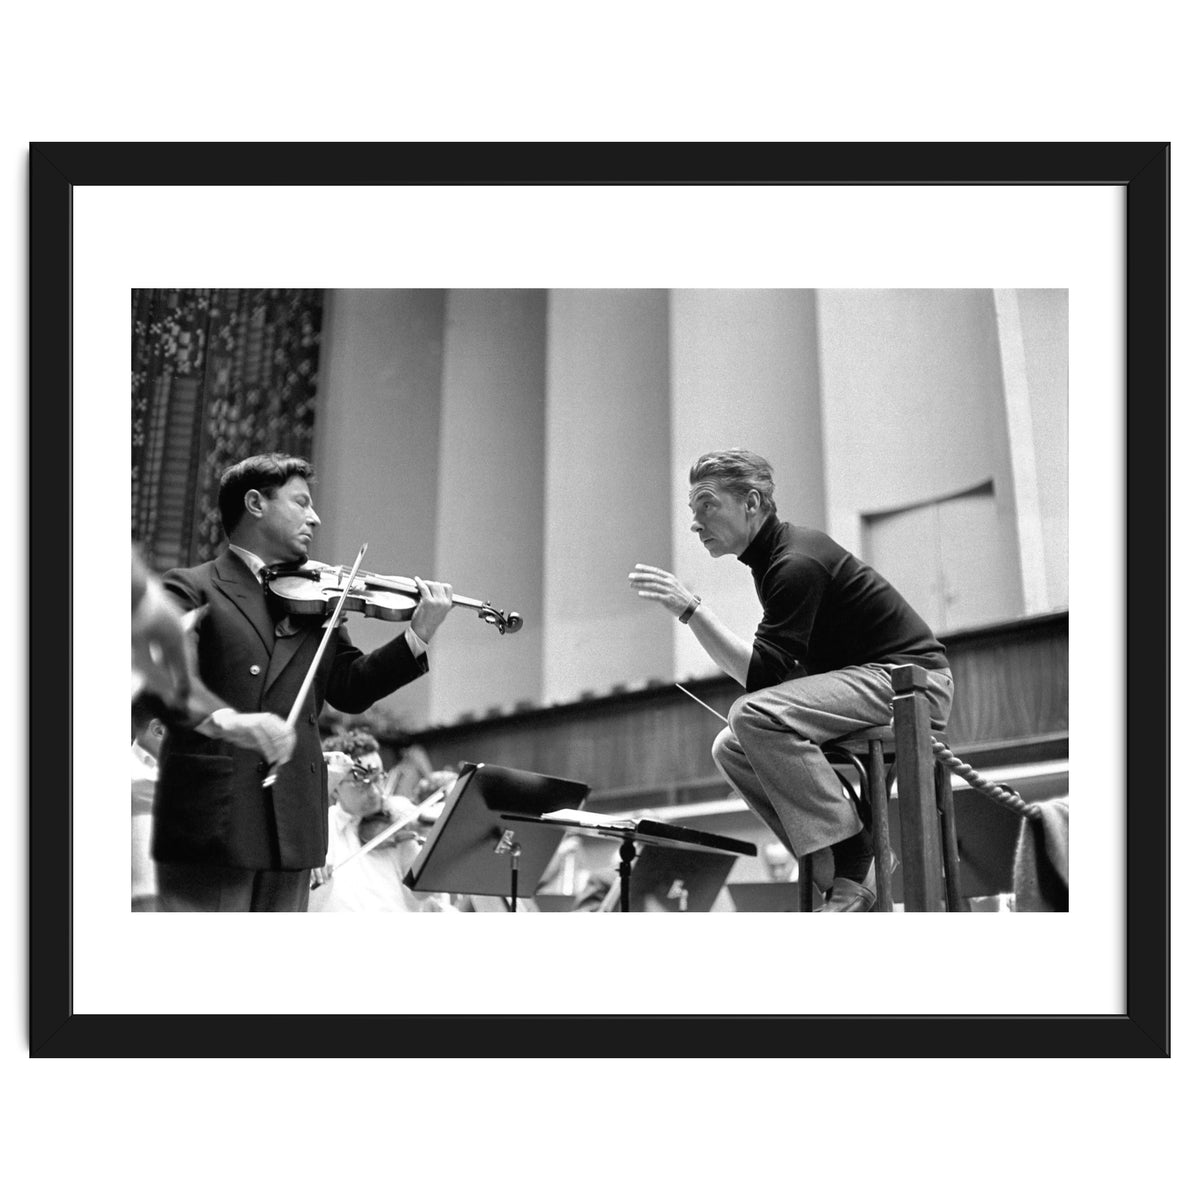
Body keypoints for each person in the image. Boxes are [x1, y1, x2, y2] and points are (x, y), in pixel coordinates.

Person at [629, 449, 954, 912]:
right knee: (730, 746)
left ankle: (856, 863)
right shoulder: (772, 563)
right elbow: (770, 674)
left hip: (911, 684)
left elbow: (760, 682)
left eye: (706, 505)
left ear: (752, 502)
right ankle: (840, 878)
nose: (695, 524)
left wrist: (692, 611)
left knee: (750, 714)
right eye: (693, 511)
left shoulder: (795, 562)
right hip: (868, 683)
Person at [152, 453, 456, 912]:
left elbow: (349, 687)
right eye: (301, 503)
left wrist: (418, 634)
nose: (315, 517)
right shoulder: (193, 587)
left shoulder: (316, 600)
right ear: (255, 503)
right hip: (216, 819)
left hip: (292, 823)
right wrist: (227, 722)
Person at [309, 730, 456, 913]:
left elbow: (423, 891)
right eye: (362, 782)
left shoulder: (397, 829)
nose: (376, 792)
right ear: (336, 787)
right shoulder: (319, 829)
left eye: (378, 778)